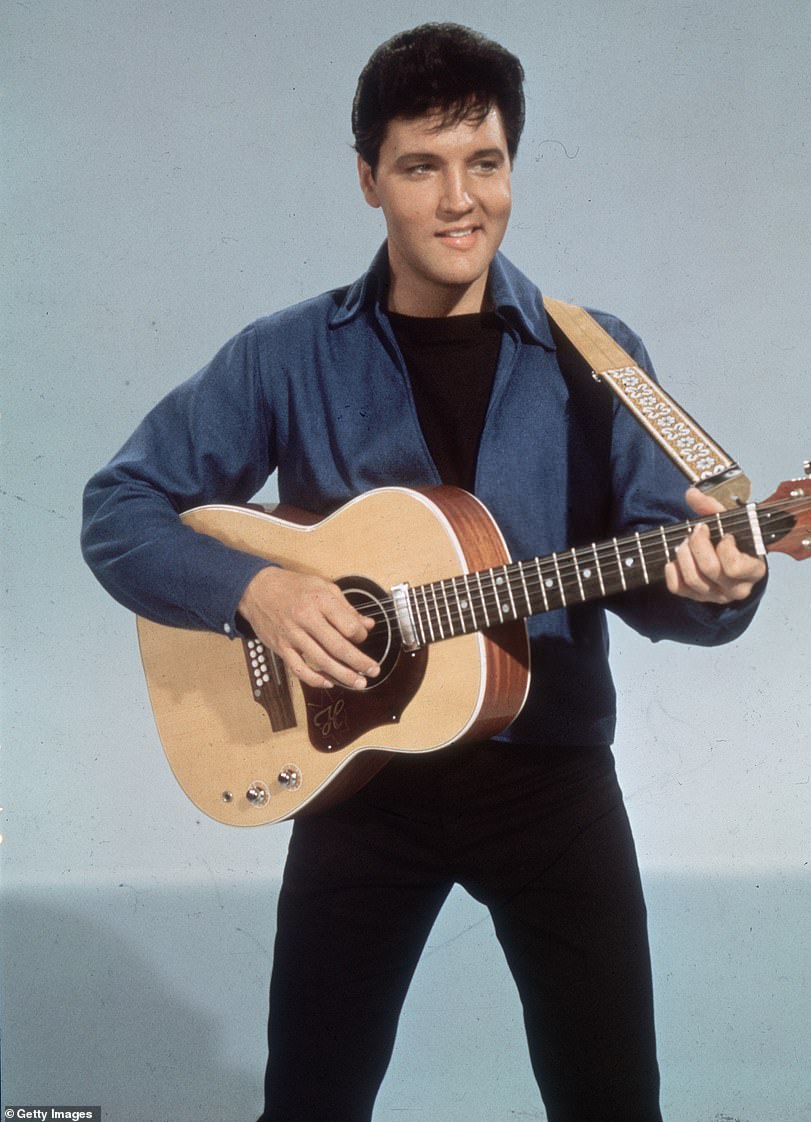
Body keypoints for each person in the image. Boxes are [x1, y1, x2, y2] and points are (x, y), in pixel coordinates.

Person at [82, 23, 767, 1122]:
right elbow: (117, 508)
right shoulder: (286, 354)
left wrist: (718, 586)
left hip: (548, 785)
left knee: (612, 1105)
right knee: (310, 1103)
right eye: (421, 166)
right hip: (358, 782)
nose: (460, 200)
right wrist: (254, 591)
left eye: (485, 164)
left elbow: (660, 563)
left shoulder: (600, 352)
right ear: (368, 179)